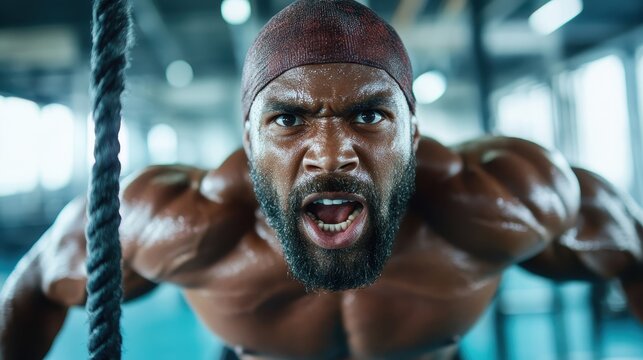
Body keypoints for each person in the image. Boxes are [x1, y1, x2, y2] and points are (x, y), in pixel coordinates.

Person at [1, 0, 642, 359]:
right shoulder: (181, 223)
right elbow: (32, 284)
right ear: (249, 137)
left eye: (369, 114)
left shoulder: (499, 205)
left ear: (411, 131)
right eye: (289, 119)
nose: (332, 154)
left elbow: (630, 244)